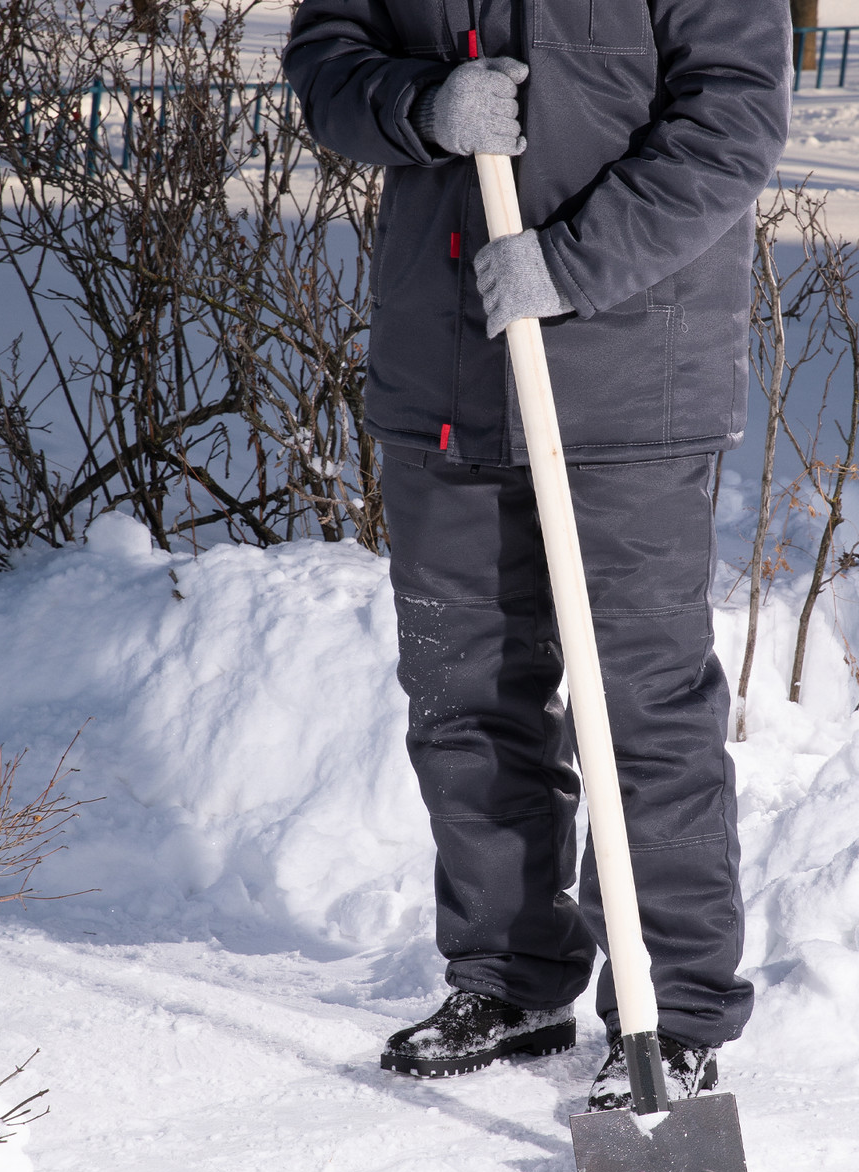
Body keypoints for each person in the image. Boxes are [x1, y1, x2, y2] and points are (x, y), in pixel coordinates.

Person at [284, 0, 792, 1111]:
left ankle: (676, 1011)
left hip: (629, 379)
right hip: (445, 378)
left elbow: (733, 117)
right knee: (459, 689)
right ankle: (508, 977)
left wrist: (571, 262)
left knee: (641, 706)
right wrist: (419, 105)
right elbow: (325, 61)